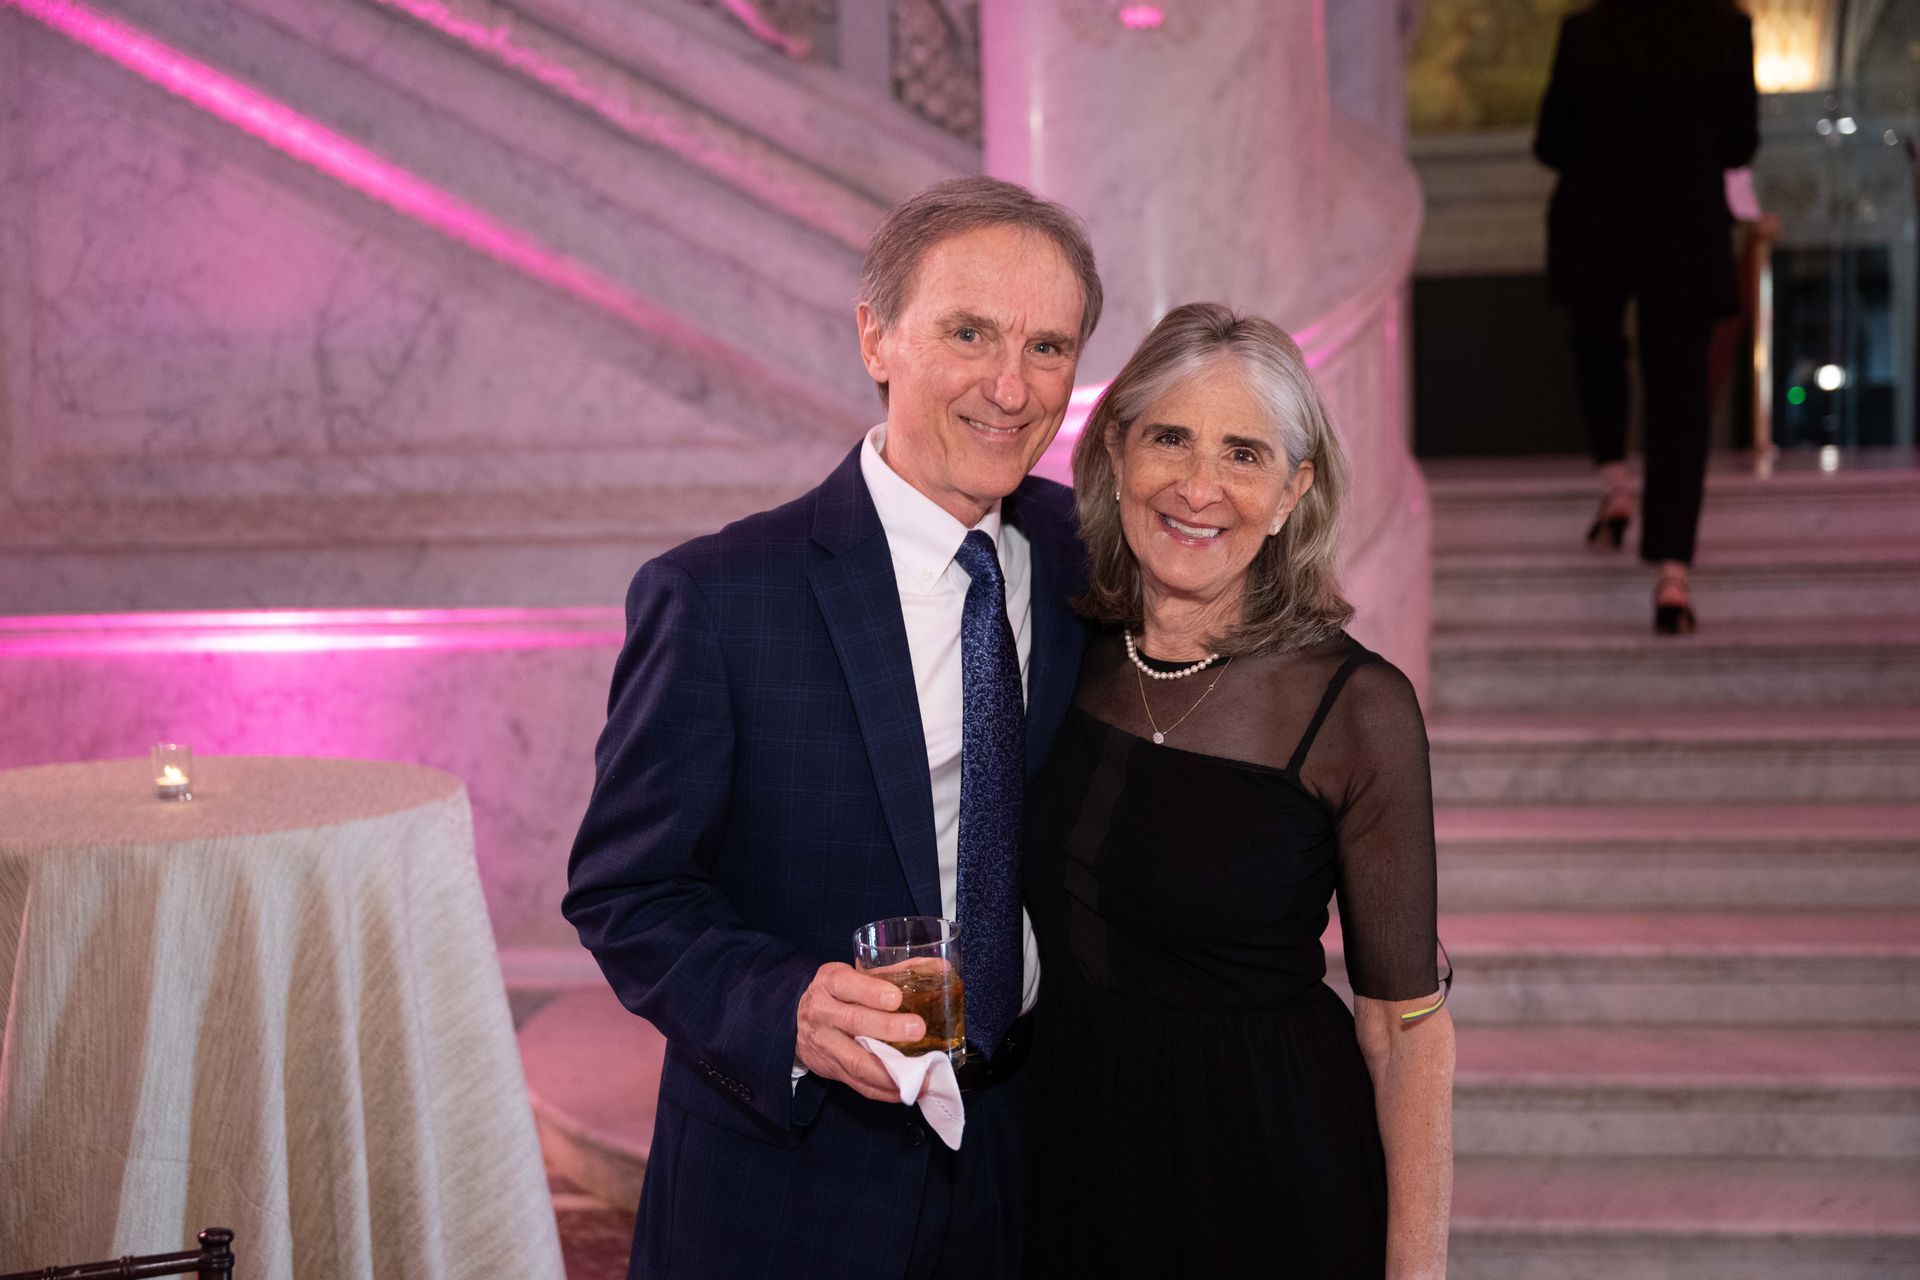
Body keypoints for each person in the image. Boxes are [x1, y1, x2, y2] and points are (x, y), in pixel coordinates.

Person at [563, 176, 1100, 1279]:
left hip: (1042, 1164)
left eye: (1049, 347)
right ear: (877, 337)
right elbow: (626, 890)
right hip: (791, 1188)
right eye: (969, 333)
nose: (1012, 386)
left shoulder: (1090, 557)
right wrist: (785, 1006)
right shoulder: (719, 597)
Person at [1024, 303, 1455, 1277]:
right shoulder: (1069, 643)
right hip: (1070, 1148)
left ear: (1295, 487)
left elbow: (1405, 1026)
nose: (1198, 485)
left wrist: (1416, 1269)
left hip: (1265, 1168)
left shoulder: (1356, 707)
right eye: (1169, 436)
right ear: (1117, 449)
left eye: (1245, 453)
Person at [1534, 0, 1761, 633]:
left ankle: (1616, 487)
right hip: (1685, 230)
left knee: (1599, 351)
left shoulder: (1585, 32)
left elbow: (1551, 143)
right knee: (1679, 396)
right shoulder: (1728, 31)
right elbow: (1740, 143)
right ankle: (1672, 575)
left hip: (1596, 224)